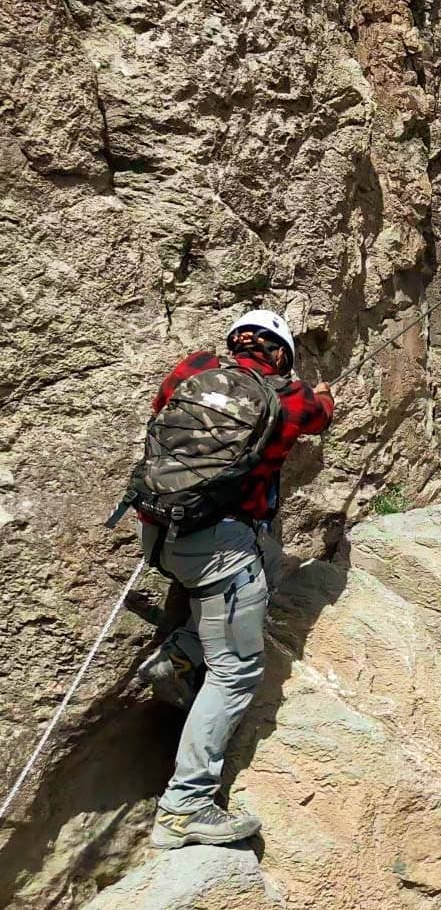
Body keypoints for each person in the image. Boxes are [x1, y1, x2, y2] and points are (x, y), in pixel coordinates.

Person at [137, 308, 334, 848]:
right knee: (236, 671)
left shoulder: (194, 368)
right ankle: (185, 808)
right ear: (281, 355)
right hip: (218, 547)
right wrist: (322, 392)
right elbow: (321, 417)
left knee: (266, 560)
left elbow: (161, 412)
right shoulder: (290, 398)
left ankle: (181, 653)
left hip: (157, 530)